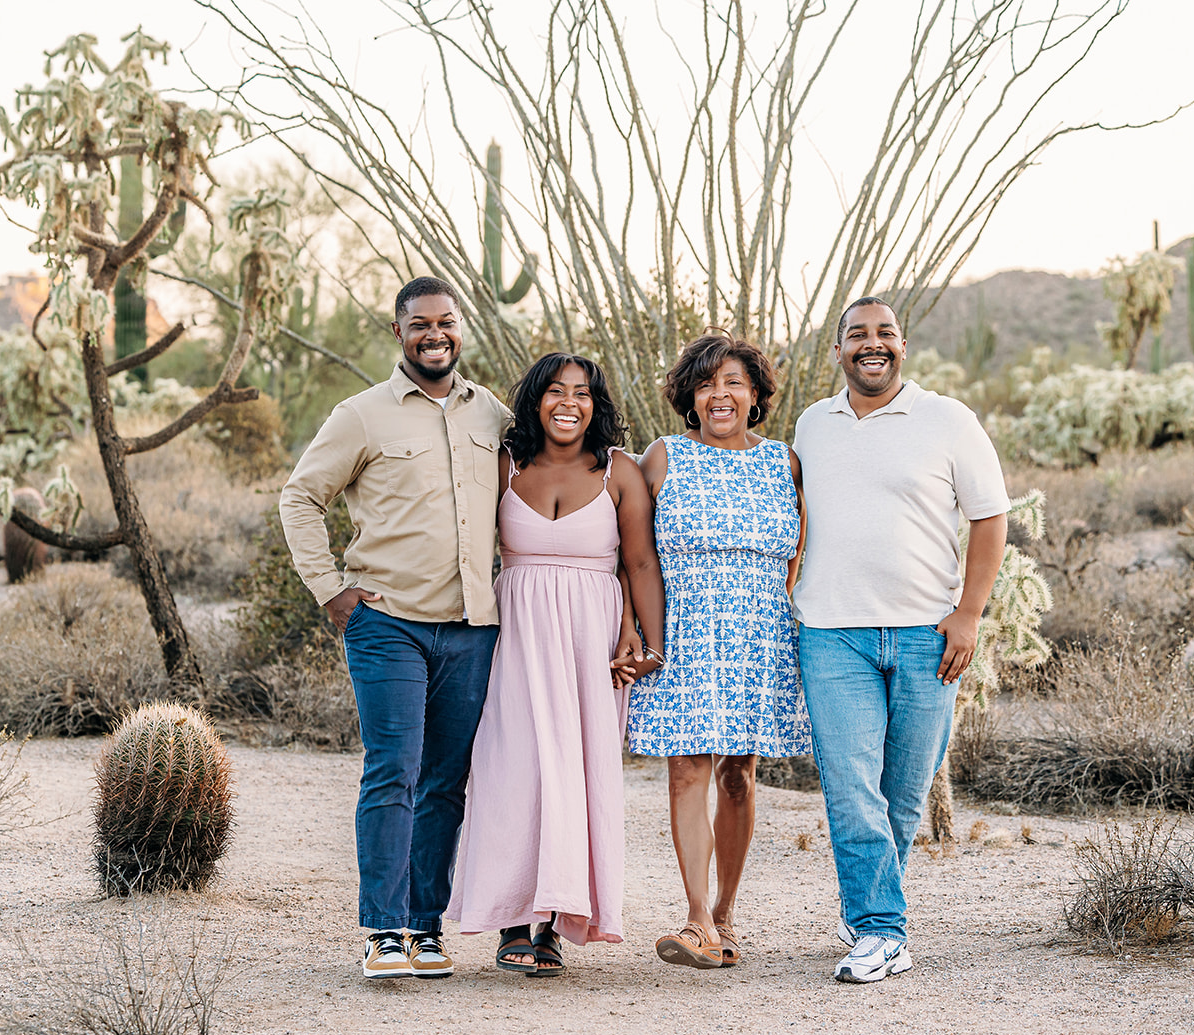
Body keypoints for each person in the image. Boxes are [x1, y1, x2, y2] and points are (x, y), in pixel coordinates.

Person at [279, 276, 509, 980]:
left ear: (460, 329)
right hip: (388, 624)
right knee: (393, 770)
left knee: (445, 779)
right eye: (419, 324)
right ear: (399, 332)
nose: (433, 334)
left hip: (471, 627)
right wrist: (330, 591)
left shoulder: (491, 413)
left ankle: (424, 922)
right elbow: (300, 496)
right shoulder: (361, 415)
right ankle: (383, 927)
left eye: (445, 322)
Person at [793, 296, 1009, 984]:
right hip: (832, 634)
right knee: (851, 787)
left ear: (903, 345)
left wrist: (969, 612)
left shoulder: (948, 420)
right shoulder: (811, 424)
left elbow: (990, 516)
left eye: (884, 331)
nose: (871, 343)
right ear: (837, 352)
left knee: (904, 792)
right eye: (856, 334)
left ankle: (864, 907)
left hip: (927, 633)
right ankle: (884, 930)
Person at [447, 352, 665, 976]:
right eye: (555, 391)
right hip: (514, 634)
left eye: (582, 393)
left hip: (591, 642)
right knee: (514, 769)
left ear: (596, 405)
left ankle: (555, 921)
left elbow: (642, 563)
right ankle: (514, 916)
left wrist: (648, 642)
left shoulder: (619, 471)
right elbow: (462, 539)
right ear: (535, 401)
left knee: (574, 775)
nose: (568, 403)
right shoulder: (505, 464)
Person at [626, 333, 810, 970]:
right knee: (686, 772)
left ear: (755, 394)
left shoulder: (784, 462)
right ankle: (697, 919)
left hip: (759, 633)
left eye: (734, 382)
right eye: (706, 383)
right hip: (683, 633)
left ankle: (728, 914)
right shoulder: (663, 458)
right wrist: (635, 629)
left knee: (738, 775)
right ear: (689, 396)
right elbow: (634, 557)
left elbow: (797, 558)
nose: (720, 394)